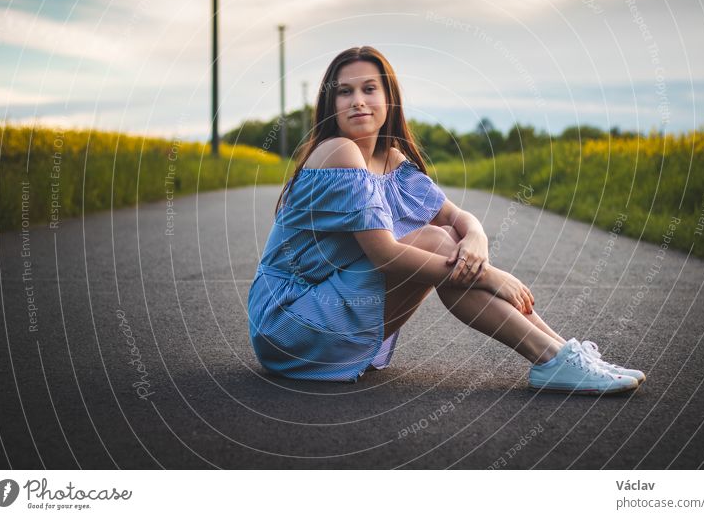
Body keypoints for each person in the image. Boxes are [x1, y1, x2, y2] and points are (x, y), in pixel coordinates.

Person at [247, 46, 645, 394]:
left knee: (446, 235)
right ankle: (551, 358)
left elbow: (456, 217)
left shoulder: (391, 161)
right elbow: (385, 256)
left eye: (370, 89)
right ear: (330, 105)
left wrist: (476, 238)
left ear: (389, 99)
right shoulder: (338, 152)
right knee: (437, 243)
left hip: (328, 308)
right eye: (345, 92)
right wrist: (487, 276)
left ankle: (563, 353)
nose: (358, 102)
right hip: (289, 323)